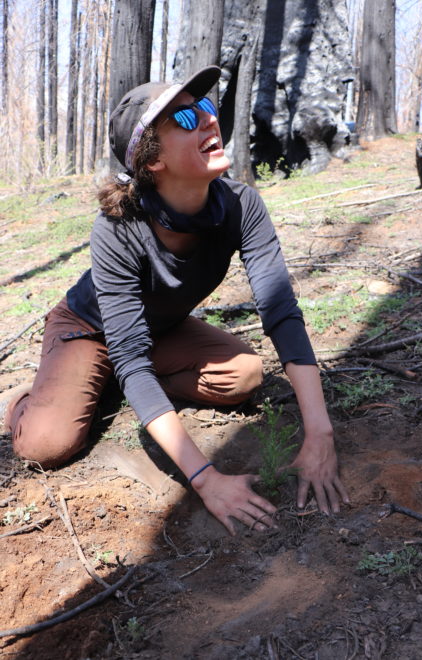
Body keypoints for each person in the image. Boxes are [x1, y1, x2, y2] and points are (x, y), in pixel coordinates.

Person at [5, 65, 349, 535]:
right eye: (186, 120)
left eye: (206, 108)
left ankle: (122, 387)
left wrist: (320, 432)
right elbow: (125, 349)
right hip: (89, 331)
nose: (209, 120)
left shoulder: (241, 205)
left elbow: (281, 311)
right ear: (151, 162)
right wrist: (206, 479)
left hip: (157, 332)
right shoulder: (118, 228)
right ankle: (28, 396)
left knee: (244, 376)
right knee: (47, 444)